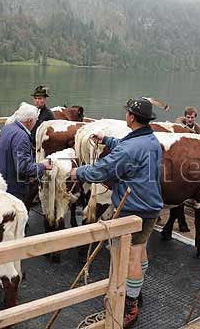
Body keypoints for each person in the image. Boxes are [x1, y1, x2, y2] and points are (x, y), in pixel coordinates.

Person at [71, 97, 163, 327]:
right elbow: (127, 148)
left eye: (127, 113)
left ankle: (129, 306)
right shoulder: (150, 139)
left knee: (130, 254)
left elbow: (103, 170)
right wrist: (108, 140)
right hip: (151, 204)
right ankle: (136, 292)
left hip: (133, 206)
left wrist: (78, 172)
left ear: (131, 117)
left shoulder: (131, 147)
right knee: (140, 251)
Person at [0, 102, 52, 208]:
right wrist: (42, 166)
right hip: (13, 187)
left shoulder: (7, 128)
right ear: (29, 121)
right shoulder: (21, 137)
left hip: (0, 180)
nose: (35, 124)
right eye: (35, 121)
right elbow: (23, 168)